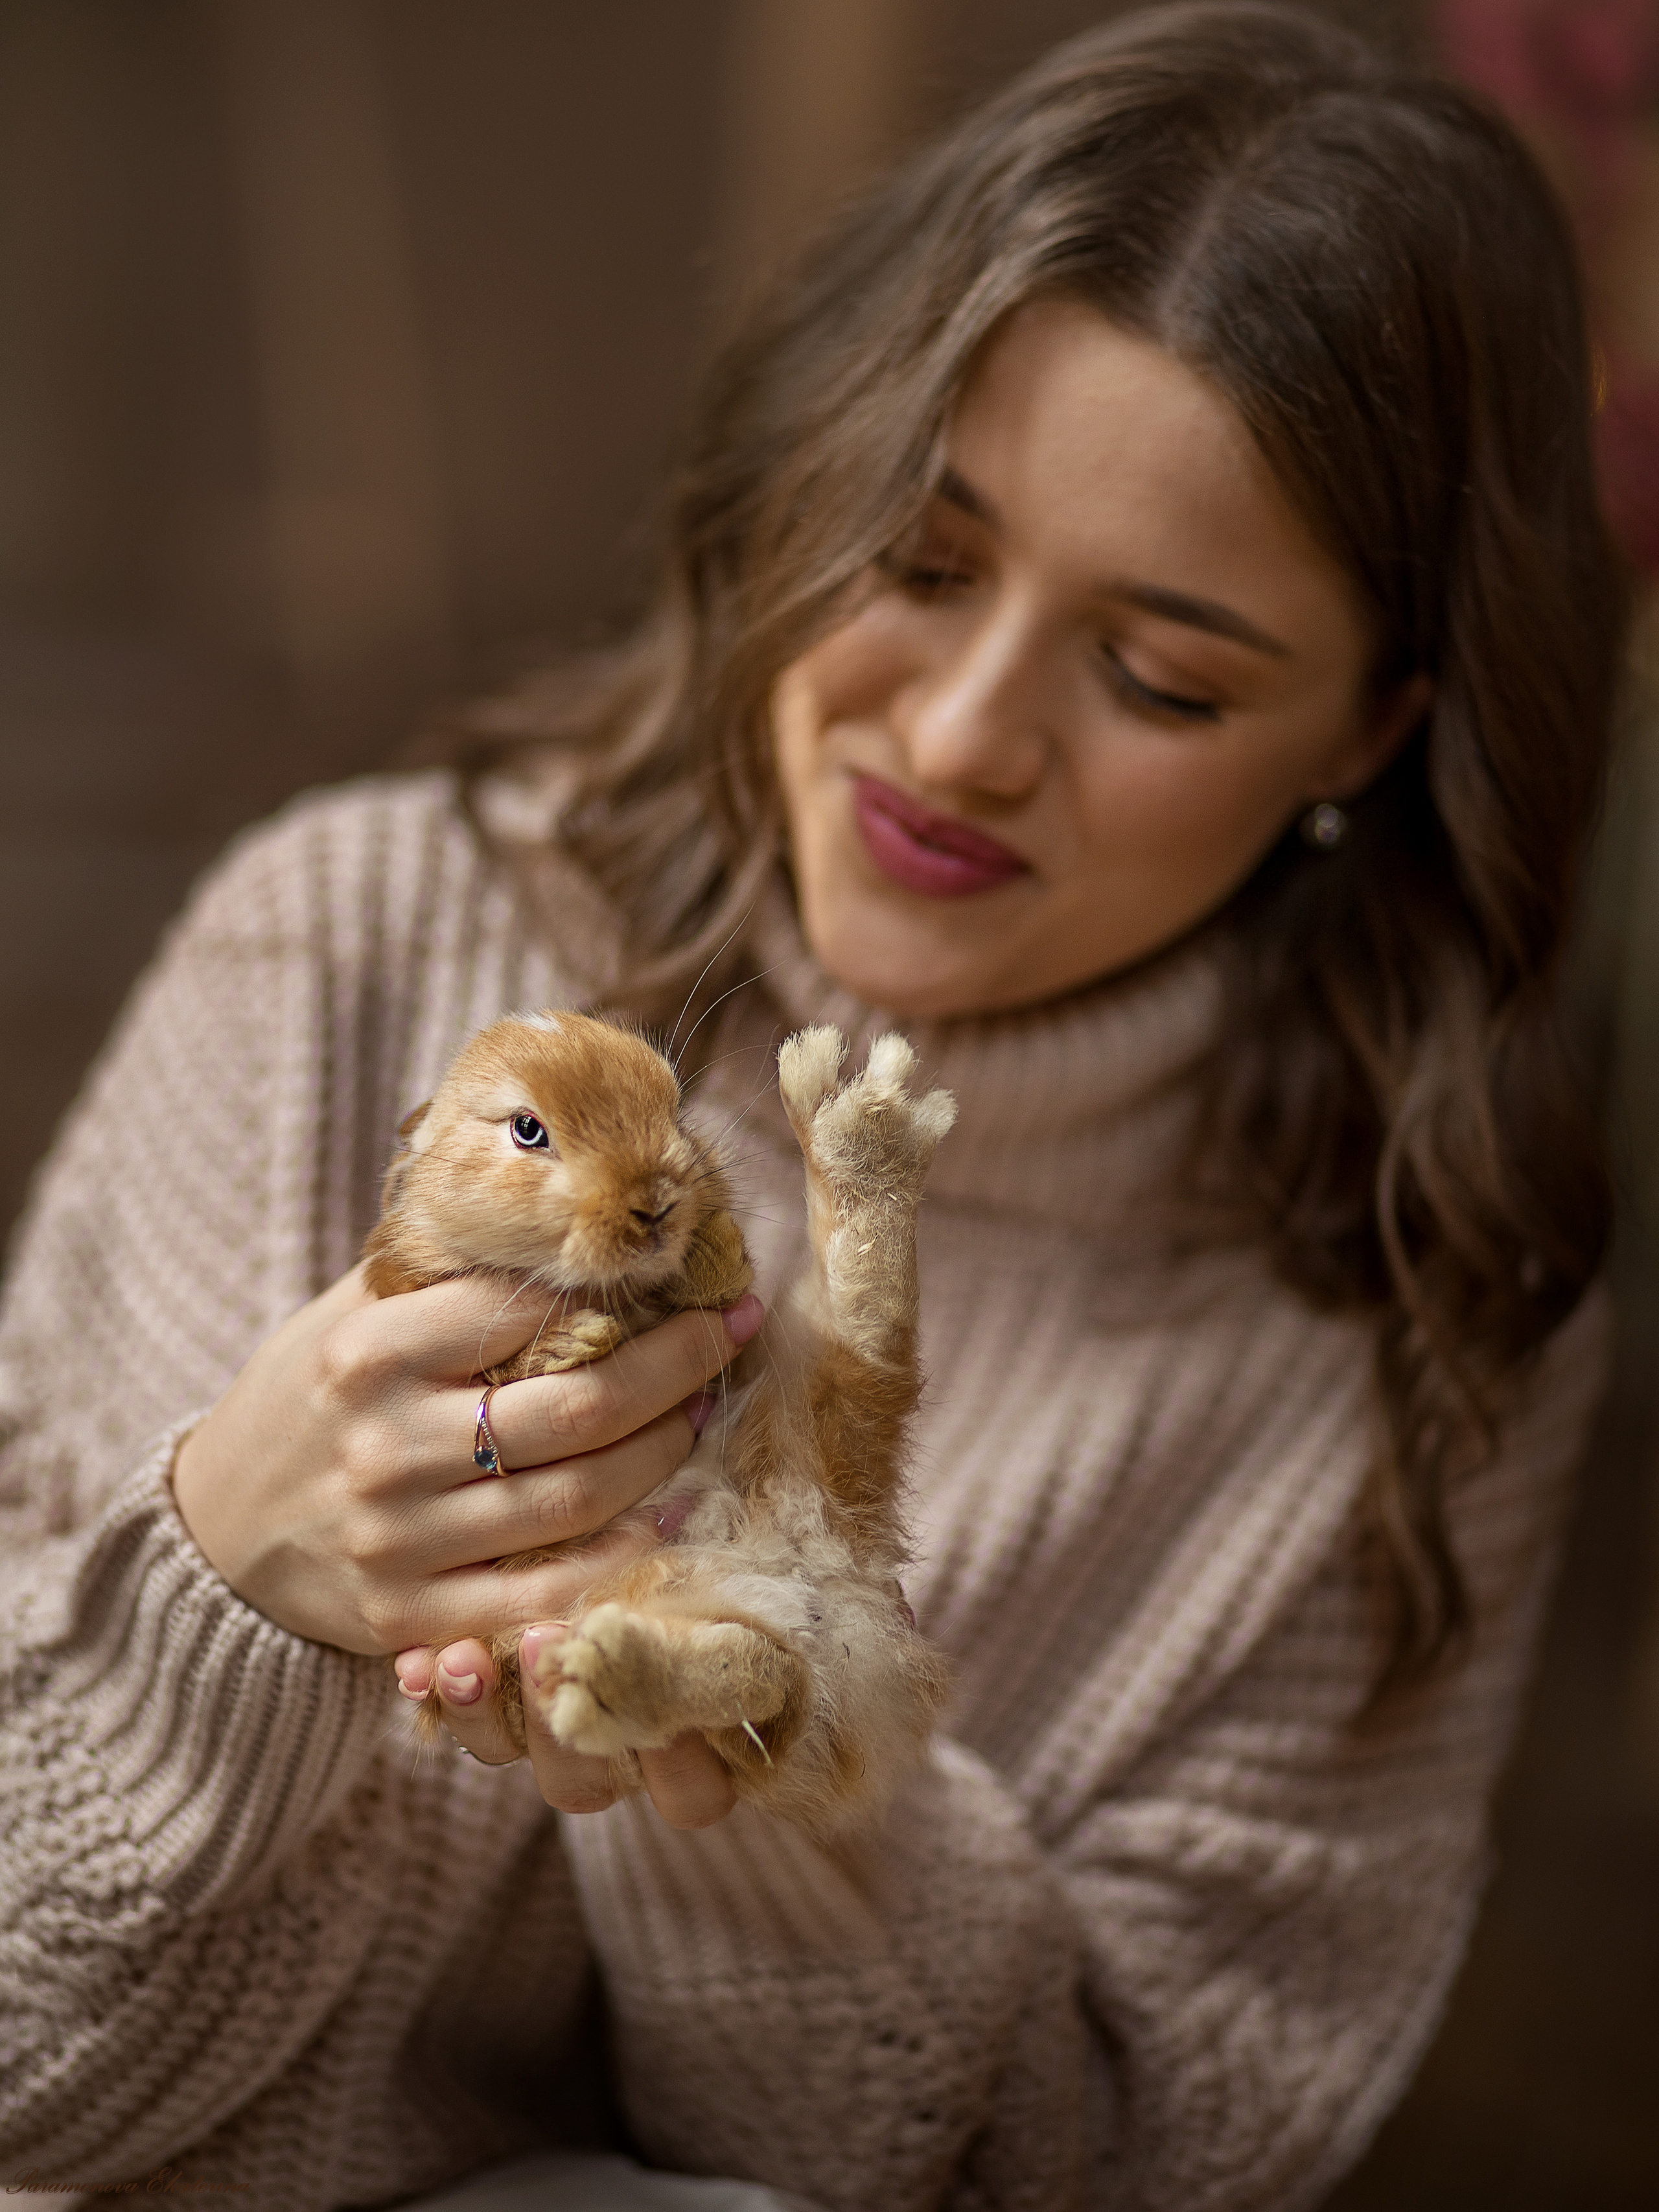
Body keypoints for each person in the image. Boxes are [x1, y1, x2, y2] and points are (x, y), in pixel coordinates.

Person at [0, 6, 1625, 2209]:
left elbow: (1083, 2171)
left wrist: (793, 1773)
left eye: (1162, 677)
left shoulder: (1410, 1330)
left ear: (1369, 733)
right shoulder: (354, 947)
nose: (958, 738)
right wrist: (230, 1585)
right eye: (922, 555)